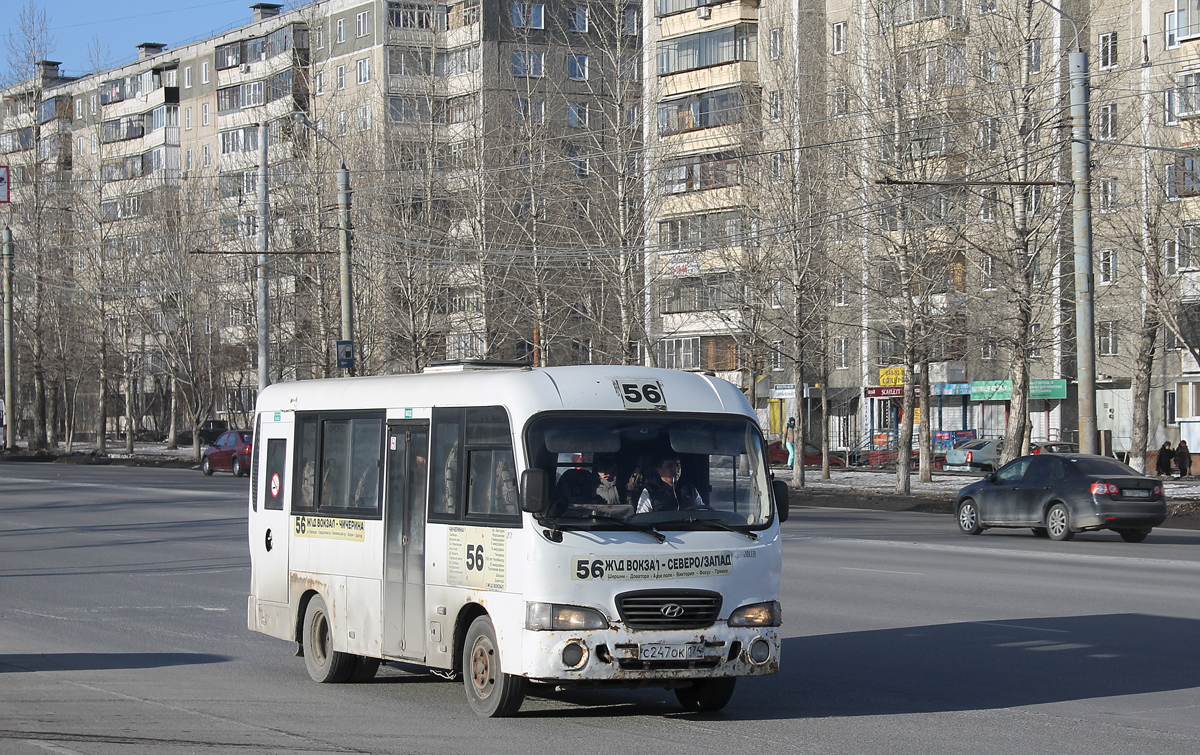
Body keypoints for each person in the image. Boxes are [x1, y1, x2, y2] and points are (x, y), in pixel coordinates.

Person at [636, 454, 704, 514]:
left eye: (677, 465)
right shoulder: (650, 491)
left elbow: (703, 511)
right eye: (669, 466)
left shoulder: (689, 489)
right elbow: (642, 518)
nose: (675, 469)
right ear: (659, 471)